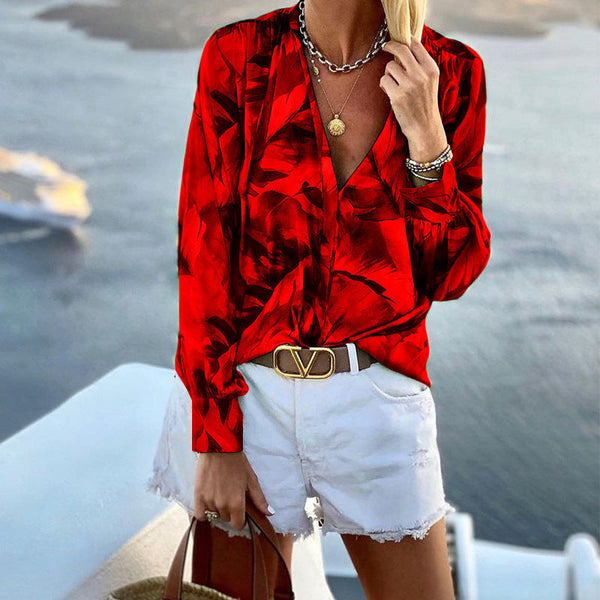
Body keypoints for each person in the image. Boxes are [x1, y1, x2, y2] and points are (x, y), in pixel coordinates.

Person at [147, 0, 491, 598]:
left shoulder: (450, 72)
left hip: (376, 400)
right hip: (248, 400)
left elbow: (451, 275)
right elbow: (204, 256)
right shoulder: (240, 56)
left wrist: (427, 137)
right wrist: (215, 437)